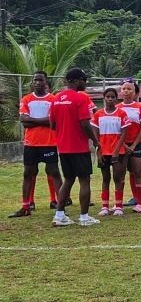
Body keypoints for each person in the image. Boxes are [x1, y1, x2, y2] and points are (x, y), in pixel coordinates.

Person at [50, 68, 101, 227]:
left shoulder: (56, 98)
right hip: (78, 147)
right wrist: (95, 140)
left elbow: (52, 124)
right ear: (77, 80)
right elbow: (85, 123)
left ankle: (59, 215)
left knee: (68, 180)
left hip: (63, 147)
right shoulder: (81, 98)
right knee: (84, 180)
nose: (85, 83)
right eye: (84, 80)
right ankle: (84, 217)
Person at [10, 71, 63, 218]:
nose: (38, 82)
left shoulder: (53, 99)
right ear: (32, 82)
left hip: (49, 142)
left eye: (41, 80)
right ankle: (26, 206)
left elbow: (54, 120)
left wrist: (33, 121)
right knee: (28, 173)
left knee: (54, 172)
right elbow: (23, 120)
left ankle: (60, 205)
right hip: (31, 143)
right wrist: (45, 121)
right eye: (35, 80)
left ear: (46, 82)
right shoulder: (26, 99)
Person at [91, 88, 131, 217]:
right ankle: (104, 206)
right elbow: (95, 134)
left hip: (117, 152)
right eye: (107, 97)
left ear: (116, 98)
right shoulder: (98, 114)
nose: (109, 99)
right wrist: (99, 151)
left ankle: (118, 206)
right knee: (105, 178)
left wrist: (117, 151)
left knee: (118, 177)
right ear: (104, 98)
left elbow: (124, 133)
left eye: (112, 97)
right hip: (104, 151)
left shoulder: (122, 113)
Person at [118, 79, 141, 212]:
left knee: (140, 171)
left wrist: (133, 145)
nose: (126, 91)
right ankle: (118, 204)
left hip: (138, 145)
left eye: (129, 89)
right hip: (122, 146)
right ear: (120, 91)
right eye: (124, 89)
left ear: (134, 92)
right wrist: (123, 145)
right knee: (122, 173)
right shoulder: (117, 108)